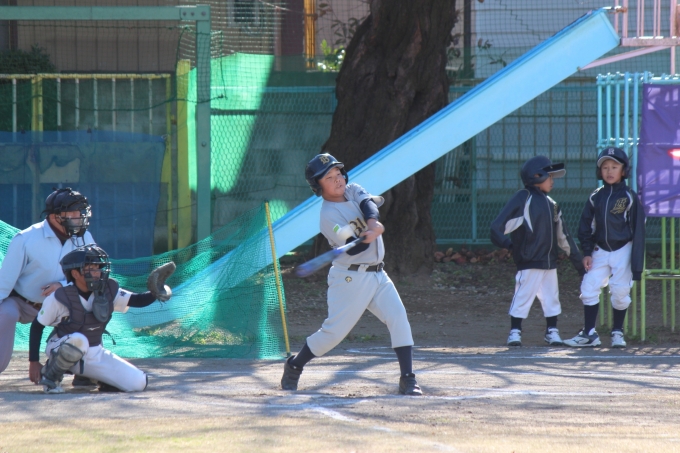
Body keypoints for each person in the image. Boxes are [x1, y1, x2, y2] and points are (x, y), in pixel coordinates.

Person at [280, 153, 422, 396]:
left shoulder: (352, 189)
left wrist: (372, 223)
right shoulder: (328, 217)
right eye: (329, 178)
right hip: (350, 279)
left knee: (398, 317)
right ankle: (295, 365)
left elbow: (368, 204)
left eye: (338, 174)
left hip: (378, 273)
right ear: (318, 186)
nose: (337, 180)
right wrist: (365, 238)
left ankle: (408, 379)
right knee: (333, 334)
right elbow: (355, 248)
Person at [28, 244, 175, 393]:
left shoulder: (107, 291)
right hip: (61, 346)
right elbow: (37, 326)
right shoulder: (59, 297)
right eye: (91, 268)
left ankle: (92, 377)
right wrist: (33, 361)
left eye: (98, 268)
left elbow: (137, 300)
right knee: (79, 340)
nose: (97, 272)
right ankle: (51, 377)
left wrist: (156, 292)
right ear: (75, 273)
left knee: (138, 383)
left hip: (94, 351)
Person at [491, 155, 585, 347]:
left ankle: (552, 331)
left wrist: (579, 264)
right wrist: (510, 246)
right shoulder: (523, 198)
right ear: (536, 176)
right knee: (523, 296)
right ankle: (515, 331)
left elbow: (564, 238)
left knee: (552, 298)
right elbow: (496, 227)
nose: (552, 180)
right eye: (549, 176)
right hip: (529, 261)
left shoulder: (552, 204)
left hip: (549, 262)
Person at [0, 187, 94, 375]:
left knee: (93, 312)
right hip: (22, 303)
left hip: (61, 303)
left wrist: (63, 286)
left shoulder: (85, 238)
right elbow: (4, 283)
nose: (79, 216)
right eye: (73, 211)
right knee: (5, 313)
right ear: (54, 216)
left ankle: (85, 372)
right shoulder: (26, 238)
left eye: (80, 211)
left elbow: (91, 276)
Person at [564, 147, 645, 348]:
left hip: (623, 250)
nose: (609, 171)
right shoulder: (595, 196)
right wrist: (587, 252)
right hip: (599, 250)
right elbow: (586, 226)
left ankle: (617, 331)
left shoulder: (629, 196)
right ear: (599, 171)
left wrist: (635, 261)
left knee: (620, 292)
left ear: (624, 171)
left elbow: (638, 229)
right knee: (588, 288)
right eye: (605, 167)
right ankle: (589, 334)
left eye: (614, 167)